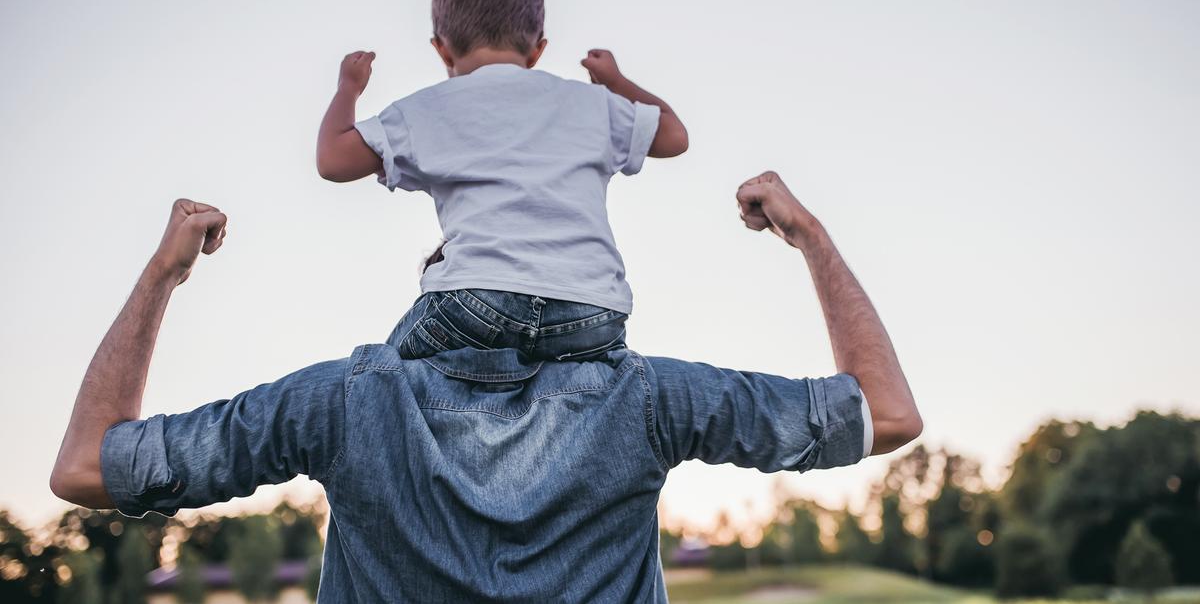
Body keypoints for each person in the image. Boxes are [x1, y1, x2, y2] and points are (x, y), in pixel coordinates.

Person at [50, 171, 922, 602]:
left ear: (435, 280)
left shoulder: (344, 403)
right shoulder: (648, 400)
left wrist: (163, 275)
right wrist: (809, 237)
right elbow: (886, 414)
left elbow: (88, 467)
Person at [315, 0, 690, 363]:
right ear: (538, 50)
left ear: (441, 50)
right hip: (592, 312)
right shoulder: (591, 103)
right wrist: (616, 82)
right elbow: (674, 136)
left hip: (478, 303)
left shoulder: (429, 109)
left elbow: (333, 160)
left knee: (381, 375)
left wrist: (348, 88)